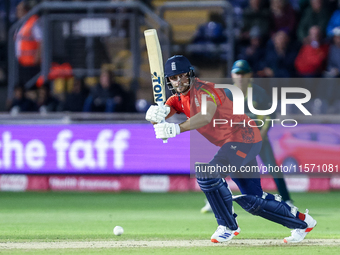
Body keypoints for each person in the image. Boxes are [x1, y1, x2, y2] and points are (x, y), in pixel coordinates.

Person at [145, 55, 316, 243]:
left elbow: (206, 116)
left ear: (190, 74)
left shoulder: (205, 90)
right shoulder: (177, 99)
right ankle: (302, 222)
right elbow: (160, 118)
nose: (179, 81)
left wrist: (177, 128)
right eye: (173, 78)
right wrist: (153, 114)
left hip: (243, 138)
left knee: (208, 173)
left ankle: (227, 226)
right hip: (239, 142)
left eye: (182, 76)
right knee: (253, 201)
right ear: (168, 80)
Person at [201, 60, 293, 214]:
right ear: (232, 75)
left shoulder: (258, 93)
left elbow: (270, 115)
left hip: (259, 138)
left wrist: (262, 133)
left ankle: (287, 200)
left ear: (250, 75)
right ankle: (214, 201)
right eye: (238, 73)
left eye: (244, 73)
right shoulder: (227, 95)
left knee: (273, 168)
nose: (241, 77)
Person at [15, 0, 42, 86]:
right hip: (22, 62)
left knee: (31, 88)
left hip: (31, 63)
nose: (17, 12)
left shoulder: (33, 22)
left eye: (19, 10)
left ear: (25, 10)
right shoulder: (21, 24)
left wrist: (37, 57)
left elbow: (40, 40)